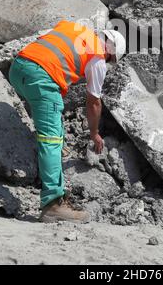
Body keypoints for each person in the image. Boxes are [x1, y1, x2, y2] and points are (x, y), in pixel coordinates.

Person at [9, 20, 126, 223]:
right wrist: (94, 133)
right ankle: (53, 204)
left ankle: (51, 156)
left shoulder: (74, 28)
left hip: (18, 68)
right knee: (52, 139)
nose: (107, 62)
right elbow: (94, 102)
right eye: (111, 59)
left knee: (52, 121)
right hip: (42, 76)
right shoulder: (98, 56)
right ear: (110, 49)